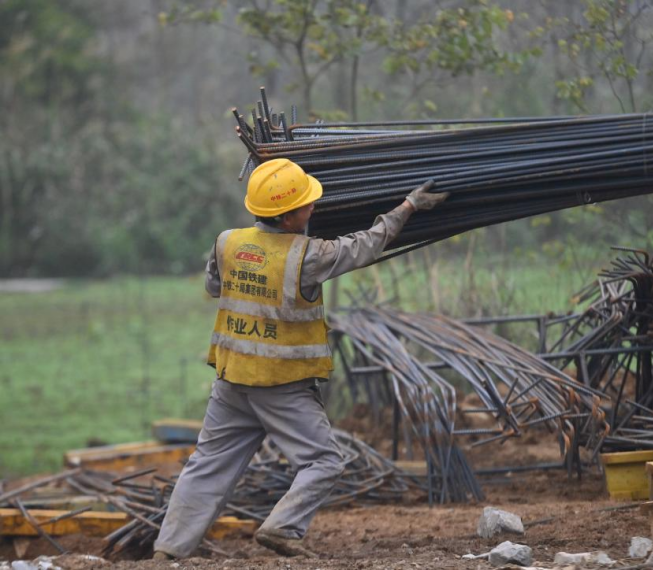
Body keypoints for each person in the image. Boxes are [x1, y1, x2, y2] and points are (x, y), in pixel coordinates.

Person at [152, 158, 448, 560]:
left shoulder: (227, 242)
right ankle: (281, 527)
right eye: (307, 204)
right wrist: (408, 206)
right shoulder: (307, 256)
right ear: (288, 216)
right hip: (281, 386)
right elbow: (366, 244)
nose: (313, 208)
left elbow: (213, 285)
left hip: (231, 381)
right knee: (324, 460)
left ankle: (168, 551)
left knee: (207, 465)